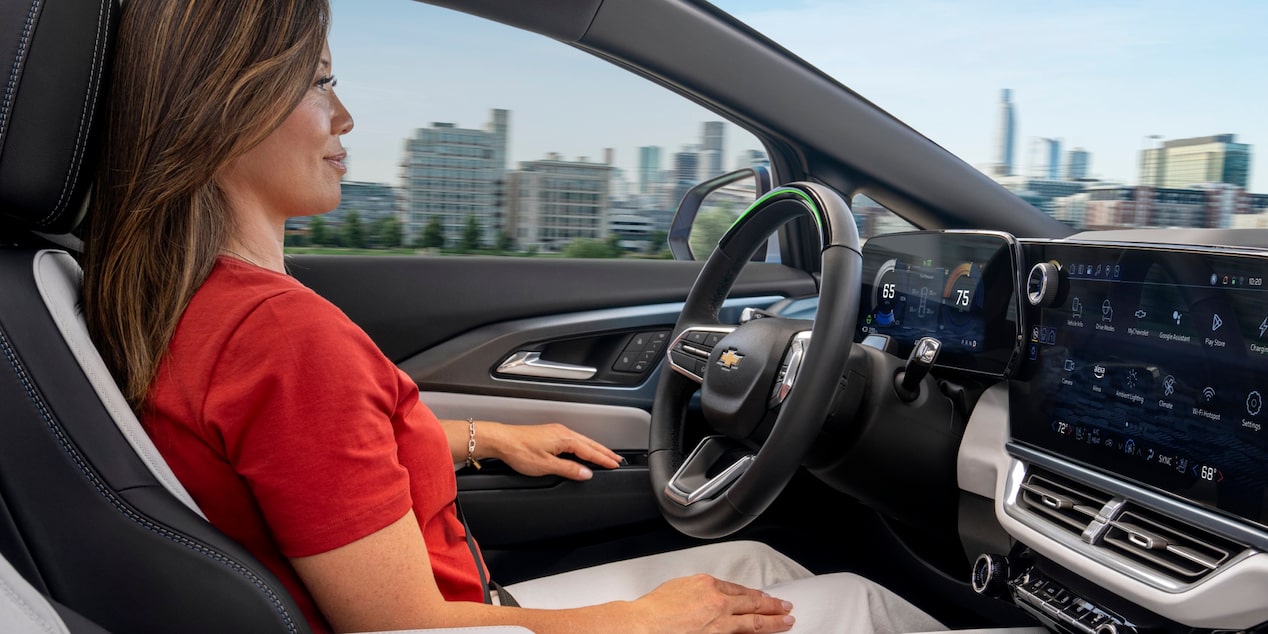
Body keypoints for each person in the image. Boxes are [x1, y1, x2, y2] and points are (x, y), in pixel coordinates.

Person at [79, 1, 946, 633]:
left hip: (476, 611)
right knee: (858, 606)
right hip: (457, 626)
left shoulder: (179, 300)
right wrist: (642, 623)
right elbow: (404, 632)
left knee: (767, 572)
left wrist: (485, 437)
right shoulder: (282, 338)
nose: (345, 117)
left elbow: (304, 458)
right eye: (320, 84)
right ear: (226, 106)